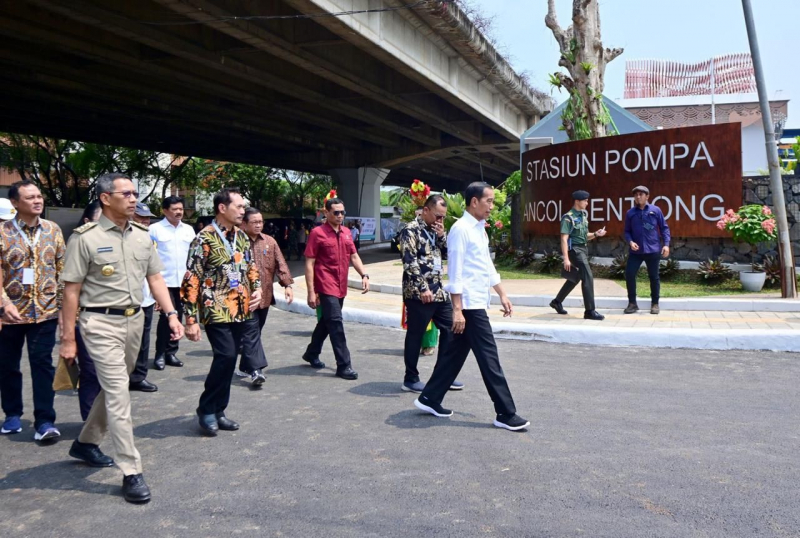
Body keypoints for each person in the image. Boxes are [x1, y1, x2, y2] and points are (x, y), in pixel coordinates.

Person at [59, 173, 184, 503]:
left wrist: (171, 315)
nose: (133, 198)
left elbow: (155, 278)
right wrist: (68, 338)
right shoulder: (84, 238)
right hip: (99, 322)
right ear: (105, 198)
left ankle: (85, 442)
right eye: (126, 193)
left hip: (135, 321)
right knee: (118, 392)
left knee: (117, 387)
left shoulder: (142, 236)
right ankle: (131, 470)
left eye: (135, 193)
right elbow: (71, 291)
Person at [413, 182, 528, 431]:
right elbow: (455, 272)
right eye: (488, 201)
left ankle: (430, 397)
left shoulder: (479, 230)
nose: (492, 206)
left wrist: (502, 294)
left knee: (454, 354)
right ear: (474, 201)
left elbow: (486, 265)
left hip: (476, 301)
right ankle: (505, 413)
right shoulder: (460, 230)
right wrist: (457, 309)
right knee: (490, 358)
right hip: (468, 306)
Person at [181, 187, 262, 436]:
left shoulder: (241, 236)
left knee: (230, 359)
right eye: (238, 206)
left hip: (241, 306)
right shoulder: (203, 239)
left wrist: (257, 288)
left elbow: (250, 266)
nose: (243, 210)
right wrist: (190, 319)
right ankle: (206, 408)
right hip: (214, 306)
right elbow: (192, 278)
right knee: (225, 355)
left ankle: (219, 410)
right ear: (222, 208)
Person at [0, 181, 65, 442]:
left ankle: (45, 421)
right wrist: (4, 303)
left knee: (42, 365)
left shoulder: (52, 230)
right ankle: (12, 414)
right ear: (15, 203)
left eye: (39, 196)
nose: (37, 201)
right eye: (30, 197)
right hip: (9, 313)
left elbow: (62, 269)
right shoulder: (3, 232)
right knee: (7, 366)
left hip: (45, 313)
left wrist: (63, 308)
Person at [398, 194, 463, 393]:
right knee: (416, 334)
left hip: (438, 290)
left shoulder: (436, 230)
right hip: (419, 293)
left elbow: (447, 254)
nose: (440, 220)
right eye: (437, 216)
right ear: (425, 210)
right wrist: (422, 287)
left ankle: (442, 376)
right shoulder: (410, 230)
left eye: (443, 217)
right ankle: (410, 378)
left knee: (451, 329)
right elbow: (409, 261)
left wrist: (443, 235)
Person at [301, 197, 369, 380]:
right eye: (336, 212)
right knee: (336, 323)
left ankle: (311, 353)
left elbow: (354, 256)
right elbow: (309, 262)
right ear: (327, 213)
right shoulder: (317, 233)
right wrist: (310, 291)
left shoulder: (347, 232)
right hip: (325, 284)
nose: (340, 216)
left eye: (342, 212)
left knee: (327, 321)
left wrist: (364, 275)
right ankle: (344, 365)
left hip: (341, 285)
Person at [235, 207, 294, 385]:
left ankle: (244, 366)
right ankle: (256, 370)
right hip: (244, 298)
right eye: (254, 222)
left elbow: (280, 264)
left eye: (261, 222)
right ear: (244, 224)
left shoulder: (269, 241)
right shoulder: (236, 242)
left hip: (266, 296)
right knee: (251, 332)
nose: (259, 225)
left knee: (255, 333)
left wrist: (288, 285)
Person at [149, 196, 195, 370]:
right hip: (163, 281)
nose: (179, 212)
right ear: (165, 211)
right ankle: (160, 353)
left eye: (181, 209)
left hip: (184, 282)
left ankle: (171, 353)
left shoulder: (189, 230)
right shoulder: (154, 230)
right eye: (175, 209)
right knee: (165, 318)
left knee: (180, 316)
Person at [549, 190, 607, 321]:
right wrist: (566, 259)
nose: (587, 202)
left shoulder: (582, 216)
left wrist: (596, 234)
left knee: (576, 277)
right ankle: (590, 311)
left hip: (583, 249)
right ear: (577, 201)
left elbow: (584, 236)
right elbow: (564, 238)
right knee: (588, 276)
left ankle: (557, 301)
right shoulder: (568, 217)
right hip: (574, 250)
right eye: (585, 200)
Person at [73, 201, 103, 420]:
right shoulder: (78, 245)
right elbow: (67, 291)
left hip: (118, 320)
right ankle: (90, 421)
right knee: (91, 372)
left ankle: (104, 416)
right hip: (87, 319)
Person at [623, 186, 671, 315]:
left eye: (641, 194)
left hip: (653, 250)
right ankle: (632, 303)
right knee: (629, 274)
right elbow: (627, 231)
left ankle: (655, 304)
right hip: (636, 252)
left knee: (654, 277)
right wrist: (631, 242)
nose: (638, 197)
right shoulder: (630, 213)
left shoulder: (656, 210)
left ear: (647, 196)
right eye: (636, 195)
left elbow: (664, 228)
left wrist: (666, 244)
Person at [129, 203, 159, 392]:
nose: (146, 221)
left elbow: (155, 272)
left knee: (143, 340)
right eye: (141, 217)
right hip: (124, 299)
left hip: (145, 298)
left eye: (148, 218)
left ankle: (138, 376)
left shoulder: (149, 239)